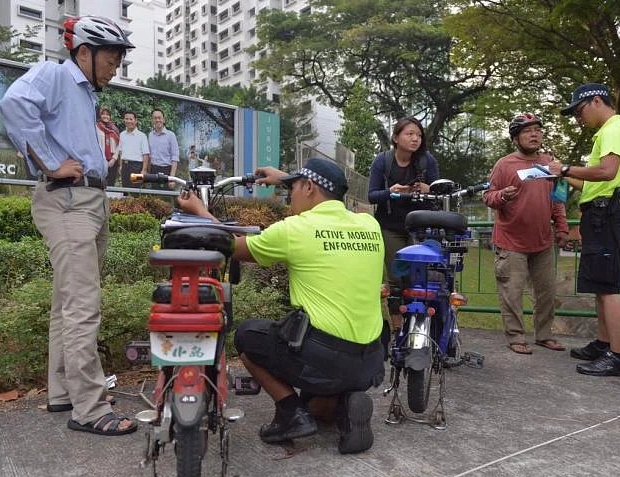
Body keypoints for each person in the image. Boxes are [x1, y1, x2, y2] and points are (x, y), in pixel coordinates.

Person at [177, 157, 386, 454]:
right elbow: (325, 189)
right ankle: (342, 406)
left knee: (248, 336)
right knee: (319, 404)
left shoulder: (296, 228)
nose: (290, 199)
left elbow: (231, 245)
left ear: (310, 187)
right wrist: (289, 178)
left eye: (293, 191)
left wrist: (199, 210)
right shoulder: (369, 224)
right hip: (370, 362)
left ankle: (291, 413)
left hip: (325, 358)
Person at [0, 15, 138, 435]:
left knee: (68, 303)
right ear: (83, 52)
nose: (115, 68)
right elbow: (13, 105)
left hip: (85, 199)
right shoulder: (54, 75)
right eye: (111, 58)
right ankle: (91, 409)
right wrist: (49, 161)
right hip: (68, 200)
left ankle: (64, 392)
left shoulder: (82, 94)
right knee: (82, 304)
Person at [548, 83, 620, 377]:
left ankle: (619, 357)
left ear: (596, 101)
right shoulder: (608, 132)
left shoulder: (613, 129)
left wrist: (567, 169)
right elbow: (592, 182)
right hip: (600, 213)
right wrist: (561, 174)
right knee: (600, 286)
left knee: (608, 288)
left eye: (579, 111)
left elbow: (607, 171)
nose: (577, 119)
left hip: (607, 213)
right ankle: (604, 343)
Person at [483, 113, 569, 355]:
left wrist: (562, 227)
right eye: (527, 131)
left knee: (547, 293)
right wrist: (503, 196)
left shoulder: (549, 163)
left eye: (538, 130)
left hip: (542, 241)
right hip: (511, 242)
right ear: (515, 138)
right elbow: (488, 197)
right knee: (512, 293)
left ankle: (544, 335)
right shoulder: (504, 165)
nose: (534, 135)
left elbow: (557, 199)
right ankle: (516, 337)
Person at [367, 116, 439, 329]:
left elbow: (440, 193)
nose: (415, 139)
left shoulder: (427, 161)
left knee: (419, 275)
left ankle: (419, 323)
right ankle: (398, 326)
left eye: (418, 135)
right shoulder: (383, 161)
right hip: (390, 226)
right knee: (396, 277)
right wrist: (391, 192)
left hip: (420, 226)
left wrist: (429, 189)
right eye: (409, 134)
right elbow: (372, 195)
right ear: (396, 137)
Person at [119, 110, 149, 188]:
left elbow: (145, 154)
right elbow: (121, 151)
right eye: (126, 119)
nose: (128, 121)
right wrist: (121, 166)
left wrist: (144, 170)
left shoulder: (142, 136)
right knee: (124, 190)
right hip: (125, 167)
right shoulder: (122, 134)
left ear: (135, 121)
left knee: (136, 191)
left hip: (137, 167)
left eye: (131, 119)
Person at [147, 108, 179, 178]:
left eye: (159, 118)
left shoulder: (171, 135)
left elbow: (175, 157)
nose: (157, 120)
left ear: (164, 119)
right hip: (153, 170)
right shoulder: (150, 135)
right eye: (155, 118)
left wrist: (172, 177)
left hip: (166, 170)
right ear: (152, 120)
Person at [96, 107, 120, 186]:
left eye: (108, 115)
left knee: (111, 184)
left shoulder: (114, 129)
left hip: (113, 161)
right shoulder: (96, 127)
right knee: (100, 183)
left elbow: (119, 146)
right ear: (100, 115)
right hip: (100, 160)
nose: (105, 116)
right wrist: (103, 160)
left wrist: (113, 159)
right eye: (103, 114)